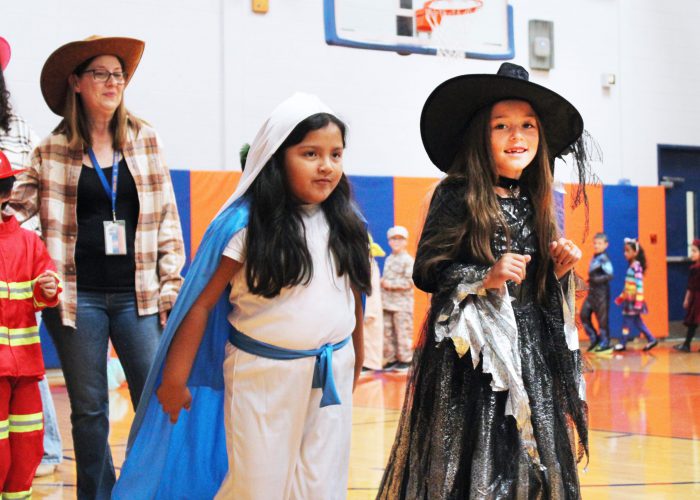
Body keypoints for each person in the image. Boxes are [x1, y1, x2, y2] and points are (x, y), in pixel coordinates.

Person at [113, 93, 371, 499]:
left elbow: (353, 296)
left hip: (331, 372)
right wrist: (175, 378)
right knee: (258, 485)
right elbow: (200, 304)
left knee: (322, 485)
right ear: (276, 157)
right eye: (310, 153)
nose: (327, 166)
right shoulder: (244, 226)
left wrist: (356, 356)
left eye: (336, 154)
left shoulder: (347, 222)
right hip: (263, 376)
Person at [377, 63, 591, 498]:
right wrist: (484, 276)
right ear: (480, 134)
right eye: (503, 126)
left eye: (528, 125)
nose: (518, 136)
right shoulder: (455, 193)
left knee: (532, 468)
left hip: (531, 358)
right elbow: (428, 270)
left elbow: (538, 292)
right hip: (473, 366)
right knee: (478, 464)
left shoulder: (538, 200)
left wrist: (559, 269)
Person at [9, 36, 186, 499]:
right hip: (75, 297)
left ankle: (142, 489)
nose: (113, 83)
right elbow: (17, 207)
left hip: (139, 295)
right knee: (89, 411)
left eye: (119, 74)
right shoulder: (52, 150)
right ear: (76, 83)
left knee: (152, 398)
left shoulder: (145, 139)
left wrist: (171, 287)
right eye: (101, 74)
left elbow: (167, 217)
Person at [0, 33, 64, 479]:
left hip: (17, 268)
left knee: (22, 363)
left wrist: (31, 259)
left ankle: (47, 449)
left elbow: (39, 195)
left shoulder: (22, 132)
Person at [0, 150, 62, 499]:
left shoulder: (27, 242)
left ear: (7, 194)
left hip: (25, 371)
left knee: (26, 451)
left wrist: (46, 289)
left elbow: (45, 284)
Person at [613, 238, 658, 352]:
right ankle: (651, 339)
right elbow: (628, 285)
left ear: (635, 252)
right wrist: (621, 297)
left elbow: (639, 285)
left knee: (627, 322)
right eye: (625, 251)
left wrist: (639, 301)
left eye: (628, 251)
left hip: (634, 302)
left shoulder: (636, 267)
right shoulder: (632, 267)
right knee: (638, 322)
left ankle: (623, 343)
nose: (625, 253)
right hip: (629, 300)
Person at [381, 225, 415, 371]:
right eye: (393, 239)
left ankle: (406, 360)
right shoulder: (389, 259)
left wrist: (389, 284)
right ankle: (391, 359)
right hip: (387, 303)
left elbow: (410, 282)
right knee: (388, 333)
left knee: (403, 332)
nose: (396, 242)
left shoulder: (408, 260)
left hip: (402, 304)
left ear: (406, 241)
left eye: (400, 239)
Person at [580, 232, 614, 352]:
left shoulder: (604, 259)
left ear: (606, 245)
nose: (596, 245)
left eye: (599, 243)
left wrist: (595, 279)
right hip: (592, 293)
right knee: (584, 314)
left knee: (602, 320)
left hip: (601, 293)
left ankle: (605, 343)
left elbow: (610, 275)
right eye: (595, 243)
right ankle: (595, 339)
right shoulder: (595, 257)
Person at [363, 235, 385, 371]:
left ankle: (370, 363)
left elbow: (371, 289)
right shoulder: (367, 264)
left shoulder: (370, 265)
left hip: (370, 305)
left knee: (371, 336)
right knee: (366, 336)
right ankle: (367, 362)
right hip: (367, 304)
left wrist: (369, 309)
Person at [674, 239, 700, 352]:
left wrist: (686, 299)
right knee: (694, 321)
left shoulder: (695, 268)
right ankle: (686, 344)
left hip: (697, 298)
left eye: (694, 251)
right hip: (697, 296)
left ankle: (686, 344)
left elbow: (691, 286)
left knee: (693, 321)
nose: (692, 254)